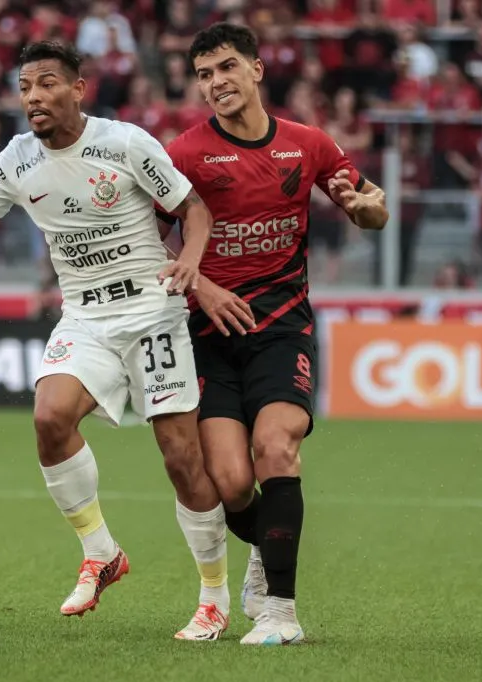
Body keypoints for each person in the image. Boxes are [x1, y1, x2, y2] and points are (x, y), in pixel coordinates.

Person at [0, 40, 255, 641]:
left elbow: (194, 210)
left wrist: (191, 264)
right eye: (24, 87)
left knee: (181, 458)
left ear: (77, 88)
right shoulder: (15, 160)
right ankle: (102, 553)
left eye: (45, 84)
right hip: (85, 317)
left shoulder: (126, 143)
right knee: (50, 417)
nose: (33, 97)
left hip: (153, 313)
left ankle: (213, 598)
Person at [158, 23, 389, 646]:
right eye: (205, 74)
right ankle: (268, 548)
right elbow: (147, 231)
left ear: (258, 70)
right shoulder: (182, 155)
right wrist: (197, 283)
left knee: (277, 447)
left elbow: (374, 208)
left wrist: (363, 206)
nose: (216, 83)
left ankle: (281, 613)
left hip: (283, 327)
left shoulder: (307, 144)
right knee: (231, 483)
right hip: (207, 335)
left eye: (227, 68)